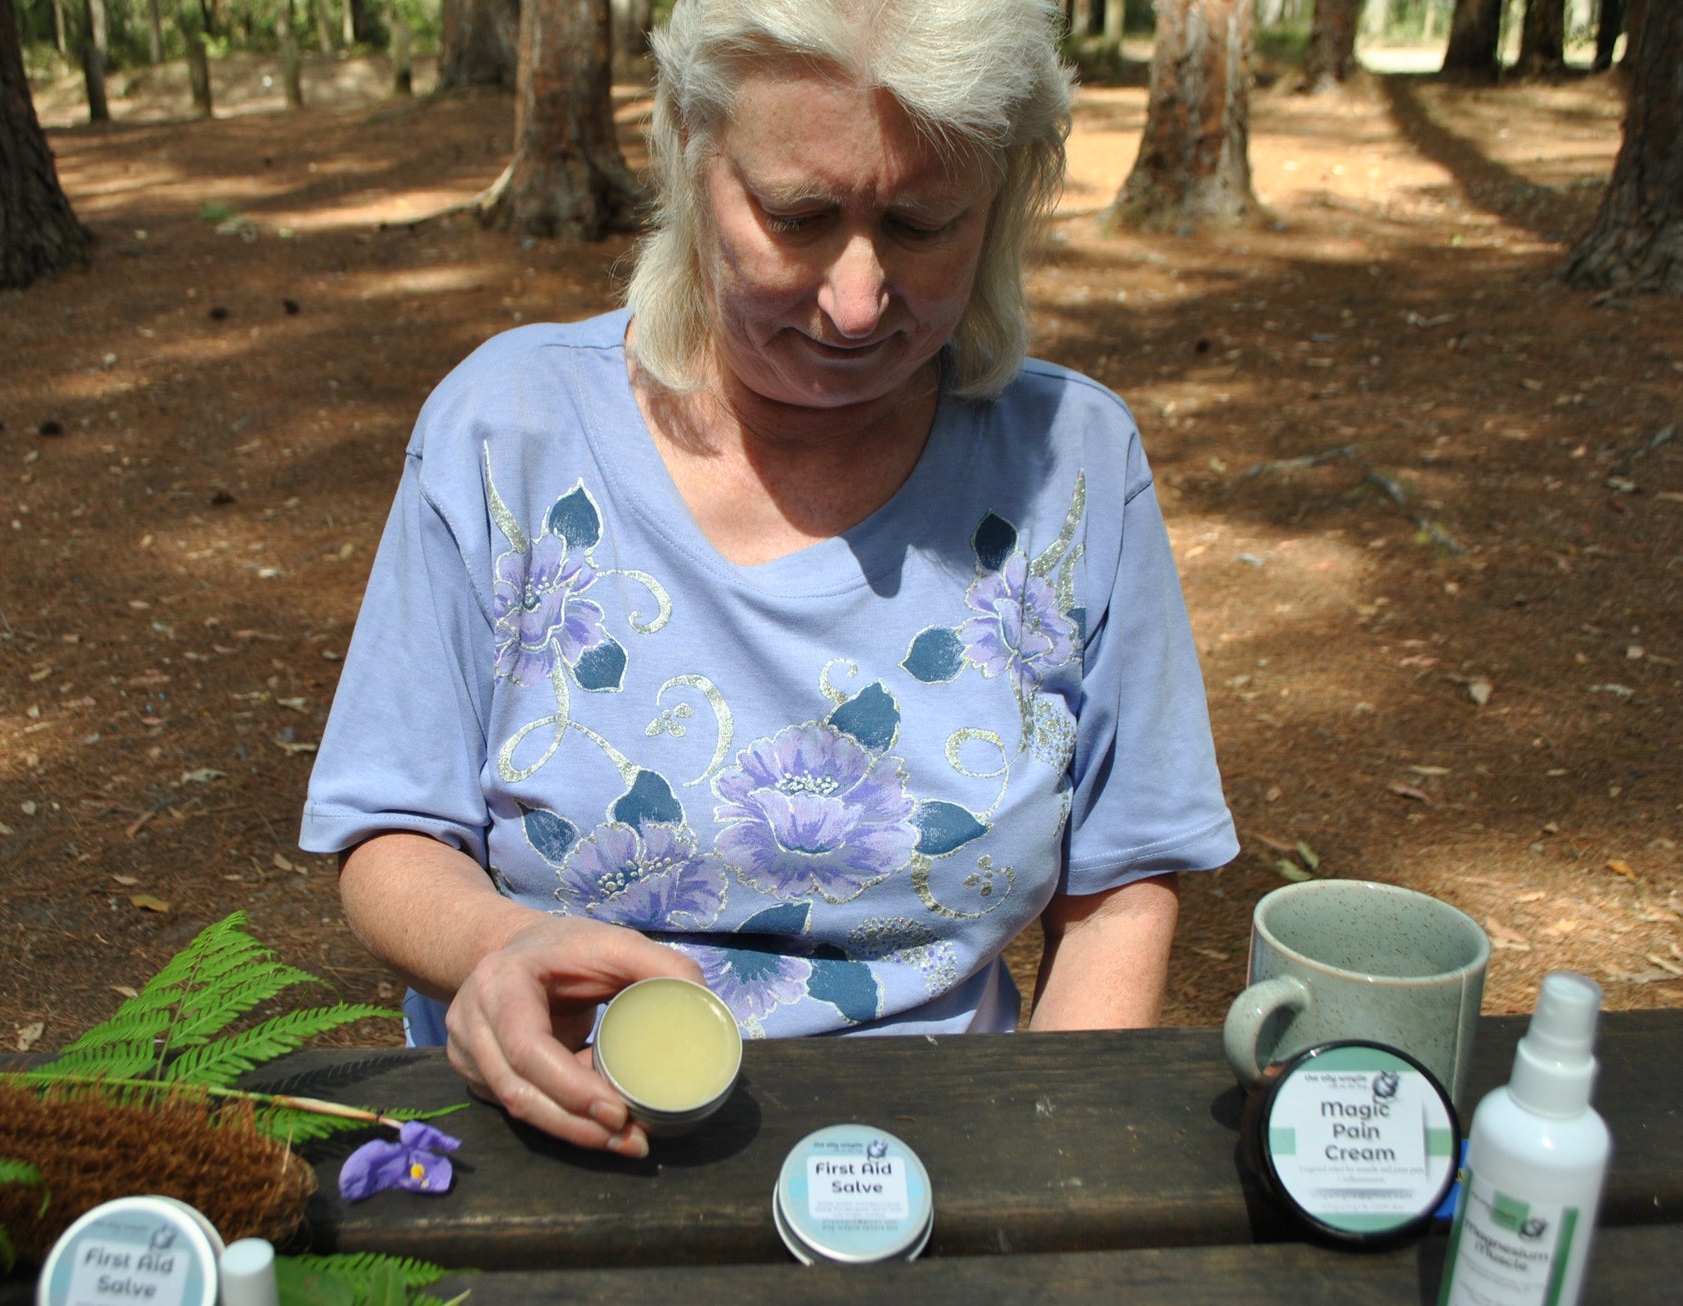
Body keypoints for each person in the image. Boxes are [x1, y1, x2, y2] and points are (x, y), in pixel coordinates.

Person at [302, 0, 1236, 1159]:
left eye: (922, 222)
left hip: (937, 1148)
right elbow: (390, 828)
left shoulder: (1074, 468)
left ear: (1003, 197)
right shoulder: (509, 432)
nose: (855, 300)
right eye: (796, 218)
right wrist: (493, 948)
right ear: (689, 155)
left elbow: (1120, 879)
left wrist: (1038, 1152)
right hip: (555, 1132)